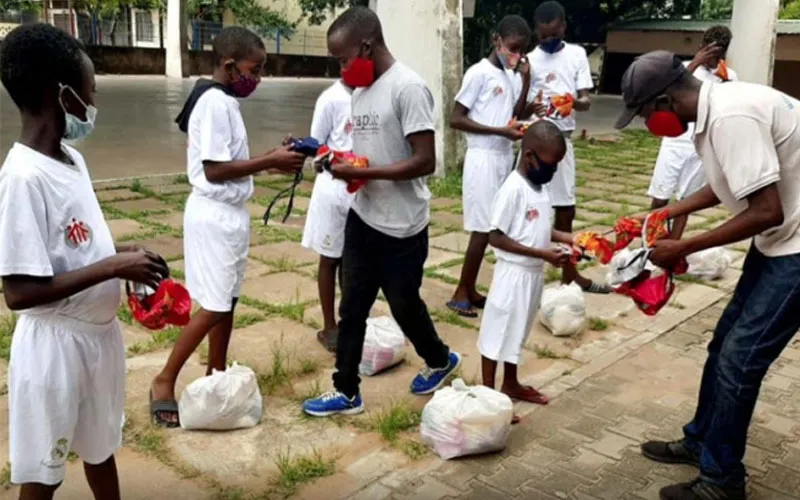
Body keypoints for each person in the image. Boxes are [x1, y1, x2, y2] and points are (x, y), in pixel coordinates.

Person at [615, 50, 800, 500]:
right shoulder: (716, 109)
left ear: (664, 101)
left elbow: (765, 210)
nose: (645, 125)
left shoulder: (729, 117)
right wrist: (670, 211)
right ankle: (701, 442)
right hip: (782, 237)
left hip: (795, 246)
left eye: (643, 115)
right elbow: (727, 182)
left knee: (741, 358)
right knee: (723, 343)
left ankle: (721, 481)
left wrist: (685, 246)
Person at [0, 23, 170, 500]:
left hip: (98, 340)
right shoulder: (22, 179)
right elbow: (19, 292)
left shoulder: (71, 160)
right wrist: (112, 268)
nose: (94, 101)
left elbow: (77, 249)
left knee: (100, 446)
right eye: (91, 89)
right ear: (64, 95)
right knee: (44, 470)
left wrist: (125, 257)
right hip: (55, 350)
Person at [302, 6, 462, 417]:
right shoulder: (360, 91)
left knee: (403, 303)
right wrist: (337, 162)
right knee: (352, 305)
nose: (341, 70)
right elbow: (367, 155)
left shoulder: (407, 88)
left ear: (367, 46)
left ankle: (441, 359)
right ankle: (346, 390)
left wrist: (366, 169)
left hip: (404, 226)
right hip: (364, 215)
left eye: (343, 59)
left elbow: (425, 161)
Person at [149, 26, 305, 427]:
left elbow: (229, 160)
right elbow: (215, 170)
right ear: (230, 65)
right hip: (214, 214)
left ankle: (215, 372)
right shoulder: (216, 103)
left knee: (227, 301)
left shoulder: (224, 101)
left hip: (230, 215)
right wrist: (269, 162)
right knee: (215, 305)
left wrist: (271, 155)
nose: (259, 77)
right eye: (256, 69)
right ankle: (163, 380)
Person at [478, 120, 572, 420]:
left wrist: (570, 239)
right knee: (497, 333)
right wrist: (541, 253)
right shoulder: (512, 189)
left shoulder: (540, 187)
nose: (554, 170)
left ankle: (510, 383)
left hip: (532, 275)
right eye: (550, 163)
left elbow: (541, 228)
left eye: (558, 164)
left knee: (518, 331)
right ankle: (489, 396)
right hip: (512, 275)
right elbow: (495, 235)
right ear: (529, 156)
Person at [446, 15, 531, 318]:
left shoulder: (510, 76)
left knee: (492, 224)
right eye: (512, 48)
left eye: (522, 50)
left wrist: (527, 81)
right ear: (497, 40)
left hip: (502, 156)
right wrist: (499, 132)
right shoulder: (478, 73)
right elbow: (456, 118)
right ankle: (459, 293)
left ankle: (469, 289)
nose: (516, 56)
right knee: (482, 229)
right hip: (482, 157)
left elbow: (513, 112)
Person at [520, 1, 609, 294]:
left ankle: (570, 274)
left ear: (563, 27)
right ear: (536, 32)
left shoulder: (576, 55)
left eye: (554, 34)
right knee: (527, 207)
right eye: (544, 36)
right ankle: (524, 269)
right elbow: (520, 106)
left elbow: (586, 99)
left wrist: (572, 102)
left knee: (566, 209)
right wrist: (531, 105)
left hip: (563, 141)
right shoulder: (529, 60)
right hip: (534, 140)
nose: (548, 41)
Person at [647, 26, 738, 240]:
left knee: (686, 199)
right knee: (660, 196)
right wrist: (697, 61)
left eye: (718, 55)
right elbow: (666, 91)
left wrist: (726, 83)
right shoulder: (685, 68)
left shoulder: (730, 76)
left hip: (702, 144)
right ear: (700, 48)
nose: (712, 59)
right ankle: (650, 237)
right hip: (675, 141)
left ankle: (674, 244)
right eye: (709, 52)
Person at [302, 79, 354, 352]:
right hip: (333, 188)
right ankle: (329, 325)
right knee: (330, 257)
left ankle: (350, 318)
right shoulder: (330, 98)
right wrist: (337, 161)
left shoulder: (371, 93)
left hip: (361, 186)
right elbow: (317, 145)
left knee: (352, 259)